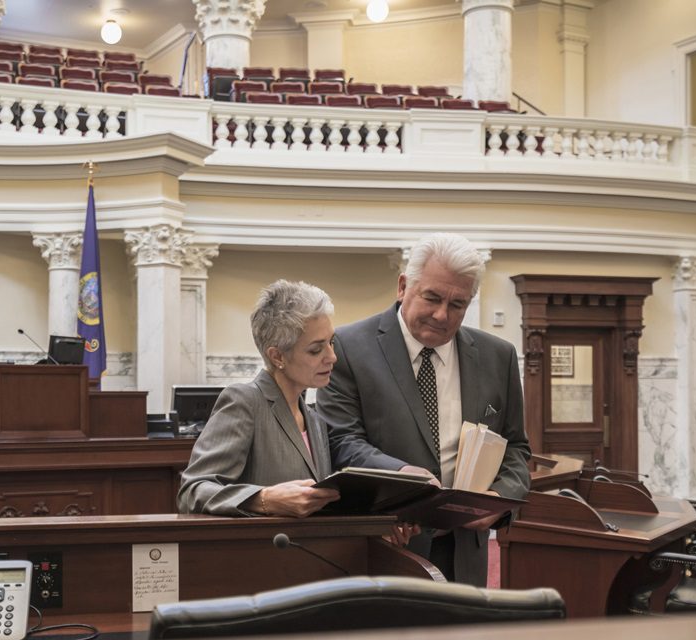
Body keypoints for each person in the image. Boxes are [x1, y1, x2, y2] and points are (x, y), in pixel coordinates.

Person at [316, 233, 531, 585]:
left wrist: (497, 498)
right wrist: (401, 476)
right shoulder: (348, 347)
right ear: (403, 286)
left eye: (458, 304)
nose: (442, 315)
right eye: (431, 297)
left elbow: (516, 448)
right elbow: (341, 441)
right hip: (384, 546)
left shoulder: (498, 357)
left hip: (465, 551)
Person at [177, 280, 342, 517]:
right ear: (277, 356)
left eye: (331, 343)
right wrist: (264, 498)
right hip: (261, 551)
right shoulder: (244, 401)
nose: (332, 357)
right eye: (316, 350)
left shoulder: (314, 418)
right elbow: (192, 491)